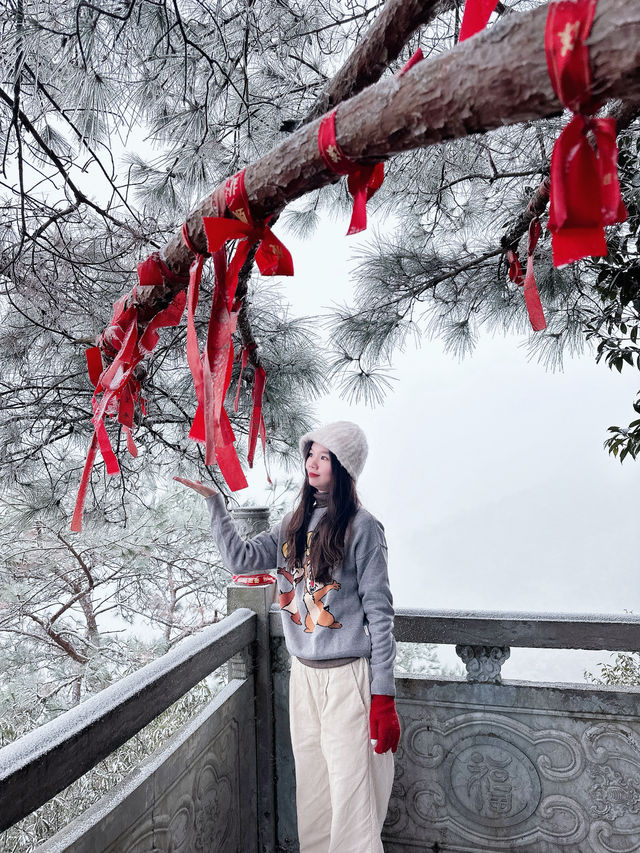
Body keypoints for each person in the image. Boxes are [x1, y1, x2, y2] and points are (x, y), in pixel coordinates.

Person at [175, 420, 400, 853]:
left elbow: (380, 614)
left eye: (324, 457)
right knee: (314, 798)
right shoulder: (291, 525)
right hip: (304, 679)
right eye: (310, 455)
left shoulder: (364, 528)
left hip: (347, 679)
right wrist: (217, 506)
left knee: (354, 802)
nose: (313, 464)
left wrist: (383, 695)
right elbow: (240, 561)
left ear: (344, 467)